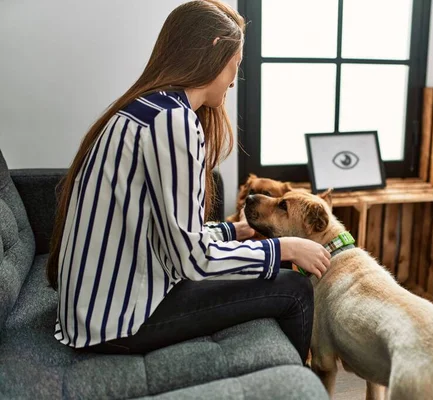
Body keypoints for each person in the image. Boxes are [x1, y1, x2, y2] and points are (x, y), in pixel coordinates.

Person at [46, 0, 330, 363]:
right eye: (236, 65)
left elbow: (169, 237)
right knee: (295, 288)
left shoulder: (145, 109)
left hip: (92, 313)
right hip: (119, 322)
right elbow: (192, 262)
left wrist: (233, 232)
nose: (234, 79)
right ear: (215, 49)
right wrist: (285, 249)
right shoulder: (174, 121)